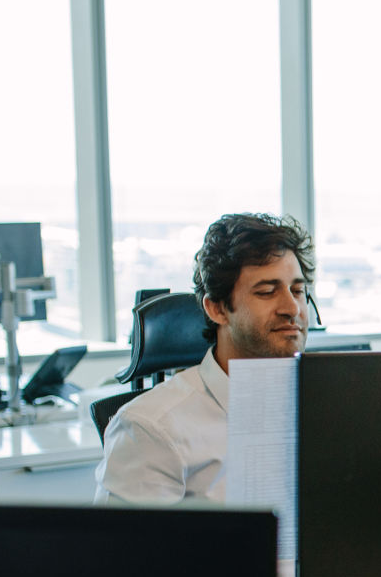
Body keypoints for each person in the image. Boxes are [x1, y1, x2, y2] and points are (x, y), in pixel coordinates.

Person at [95, 212, 314, 503]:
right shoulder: (151, 428)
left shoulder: (322, 407)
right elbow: (127, 536)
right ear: (217, 309)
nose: (292, 308)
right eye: (266, 292)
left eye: (298, 291)